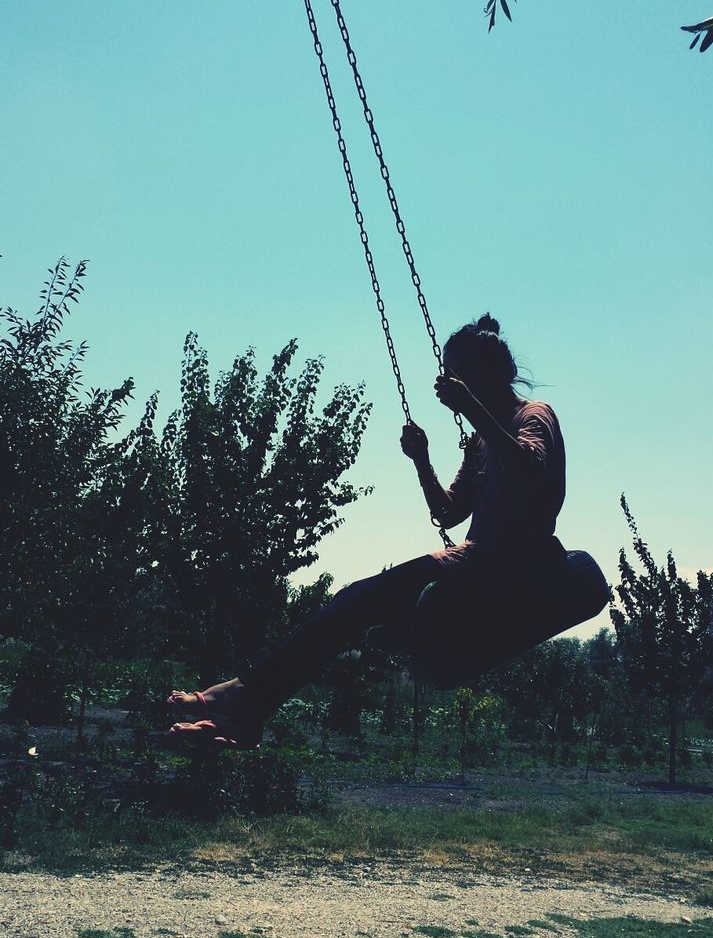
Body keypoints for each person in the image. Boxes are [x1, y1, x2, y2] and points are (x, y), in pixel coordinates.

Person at [167, 313, 566, 748]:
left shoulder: (533, 416)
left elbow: (532, 468)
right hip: (474, 560)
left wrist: (470, 408)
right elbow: (448, 513)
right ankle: (247, 713)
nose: (450, 382)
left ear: (488, 372)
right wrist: (421, 460)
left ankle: (243, 696)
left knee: (358, 601)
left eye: (458, 373)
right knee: (351, 609)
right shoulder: (481, 442)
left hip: (511, 562)